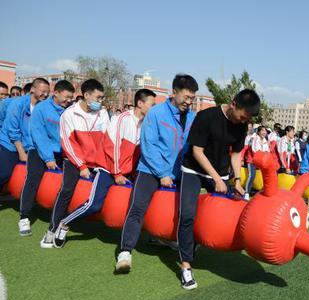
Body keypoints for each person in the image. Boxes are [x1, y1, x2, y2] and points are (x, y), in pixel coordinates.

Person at [175, 89, 259, 290]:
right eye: (242, 116)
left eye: (247, 119)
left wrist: (237, 180)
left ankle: (195, 241)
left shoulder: (242, 126)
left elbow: (236, 154)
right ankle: (186, 267)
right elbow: (197, 151)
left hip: (220, 172)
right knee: (187, 214)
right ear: (233, 104)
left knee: (226, 213)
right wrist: (216, 179)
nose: (243, 121)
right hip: (193, 169)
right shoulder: (206, 117)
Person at [52, 89, 156, 246]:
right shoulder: (122, 119)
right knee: (94, 205)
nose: (154, 108)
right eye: (152, 104)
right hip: (108, 169)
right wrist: (117, 173)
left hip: (126, 172)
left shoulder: (147, 124)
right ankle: (64, 223)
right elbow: (111, 146)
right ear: (140, 104)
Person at [116, 74, 198, 270]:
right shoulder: (156, 113)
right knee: (137, 209)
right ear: (174, 92)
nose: (189, 102)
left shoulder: (193, 117)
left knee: (184, 212)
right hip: (151, 170)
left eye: (192, 99)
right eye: (186, 97)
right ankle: (125, 252)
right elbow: (148, 145)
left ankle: (168, 240)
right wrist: (162, 174)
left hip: (179, 172)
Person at [39, 79, 110, 248]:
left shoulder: (103, 113)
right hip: (74, 159)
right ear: (86, 95)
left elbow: (107, 138)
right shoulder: (69, 114)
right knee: (67, 190)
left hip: (98, 161)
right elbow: (68, 144)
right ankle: (52, 229)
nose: (100, 102)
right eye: (98, 98)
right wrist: (82, 166)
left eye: (102, 98)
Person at [18, 80, 75, 236]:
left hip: (62, 152)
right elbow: (38, 135)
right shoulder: (41, 108)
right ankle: (24, 216)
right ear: (55, 93)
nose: (69, 100)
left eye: (71, 97)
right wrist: (48, 158)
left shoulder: (70, 111)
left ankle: (61, 216)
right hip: (39, 149)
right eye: (66, 97)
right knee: (33, 178)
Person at [0, 78, 50, 191]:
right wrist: (22, 153)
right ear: (32, 89)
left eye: (48, 92)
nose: (45, 94)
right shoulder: (18, 104)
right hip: (9, 144)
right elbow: (12, 130)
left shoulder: (42, 107)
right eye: (43, 91)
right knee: (4, 173)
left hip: (28, 146)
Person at [244, 125, 269, 200]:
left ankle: (262, 193)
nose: (264, 132)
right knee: (252, 176)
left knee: (264, 176)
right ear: (258, 132)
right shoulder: (254, 139)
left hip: (261, 161)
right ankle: (246, 193)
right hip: (252, 161)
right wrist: (263, 153)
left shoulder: (264, 140)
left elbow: (267, 151)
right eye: (262, 131)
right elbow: (255, 151)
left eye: (265, 131)